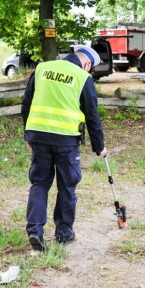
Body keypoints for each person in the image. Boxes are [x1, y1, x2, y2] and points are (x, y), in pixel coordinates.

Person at [21, 45, 107, 252]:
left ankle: (35, 230)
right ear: (87, 63)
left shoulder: (42, 69)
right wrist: (99, 147)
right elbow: (92, 116)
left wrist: (28, 133)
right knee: (67, 186)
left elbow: (27, 102)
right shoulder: (82, 77)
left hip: (39, 136)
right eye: (91, 68)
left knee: (39, 184)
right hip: (66, 140)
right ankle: (63, 234)